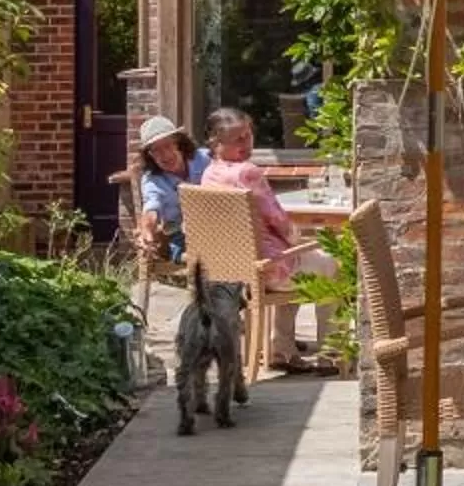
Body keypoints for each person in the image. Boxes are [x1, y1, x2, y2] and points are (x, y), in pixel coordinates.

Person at [201, 106, 337, 368]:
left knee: (305, 261)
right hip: (267, 270)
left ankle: (281, 349)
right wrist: (300, 240)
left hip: (233, 270)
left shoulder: (209, 174)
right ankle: (330, 354)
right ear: (217, 143)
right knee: (331, 264)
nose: (246, 142)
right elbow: (280, 221)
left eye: (248, 135)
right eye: (238, 139)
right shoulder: (247, 172)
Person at [133, 116, 201, 265]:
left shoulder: (203, 159)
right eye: (156, 150)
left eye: (168, 145)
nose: (165, 155)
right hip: (181, 236)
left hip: (216, 228)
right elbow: (151, 210)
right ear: (149, 155)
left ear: (179, 143)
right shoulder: (153, 180)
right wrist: (147, 231)